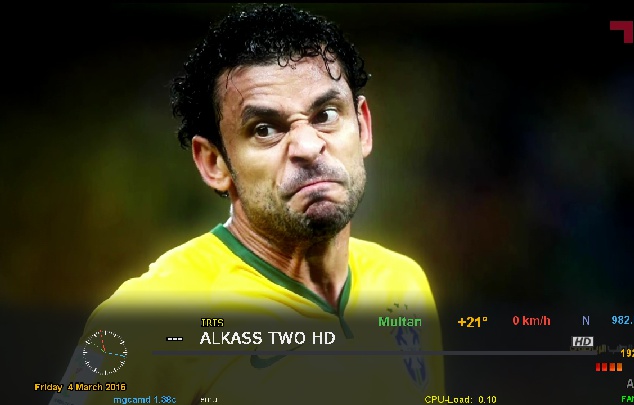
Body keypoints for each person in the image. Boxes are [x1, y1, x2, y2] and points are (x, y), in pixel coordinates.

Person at [50, 3, 444, 404]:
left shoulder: (405, 284)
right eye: (265, 129)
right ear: (214, 163)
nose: (308, 146)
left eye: (326, 115)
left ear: (362, 127)